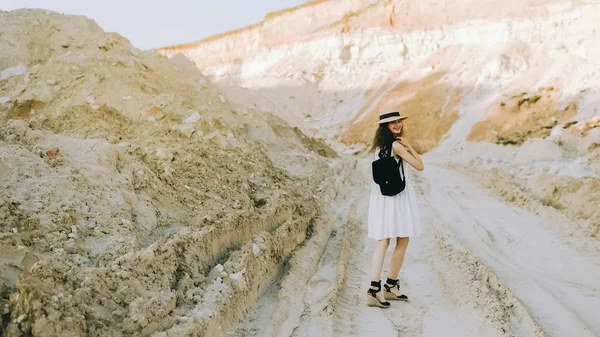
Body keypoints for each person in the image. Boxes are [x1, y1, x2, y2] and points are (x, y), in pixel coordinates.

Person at [366, 111, 424, 308]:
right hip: (397, 197)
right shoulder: (397, 145)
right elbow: (419, 166)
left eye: (399, 121)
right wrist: (409, 146)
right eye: (393, 122)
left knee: (383, 241)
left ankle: (379, 288)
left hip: (381, 197)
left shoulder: (380, 146)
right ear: (385, 126)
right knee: (400, 239)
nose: (398, 124)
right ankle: (386, 287)